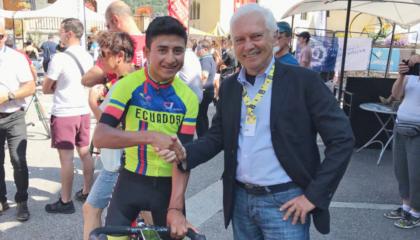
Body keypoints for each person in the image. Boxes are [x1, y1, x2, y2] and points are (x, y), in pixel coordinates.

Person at [164, 4, 354, 239]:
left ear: (274, 37)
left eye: (256, 36)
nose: (248, 46)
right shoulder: (231, 86)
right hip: (240, 201)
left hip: (286, 203)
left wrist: (313, 196)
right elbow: (218, 136)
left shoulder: (303, 82)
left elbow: (342, 139)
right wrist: (186, 153)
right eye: (240, 39)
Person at [92, 16, 198, 240]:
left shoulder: (188, 97)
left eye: (178, 51)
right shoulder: (128, 85)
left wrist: (176, 208)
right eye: (162, 50)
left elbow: (184, 159)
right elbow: (100, 137)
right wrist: (150, 136)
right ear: (148, 51)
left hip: (166, 190)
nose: (170, 58)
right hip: (130, 182)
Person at [82, 31, 138, 240]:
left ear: (120, 56)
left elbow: (109, 126)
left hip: (118, 163)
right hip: (121, 161)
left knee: (93, 209)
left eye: (104, 55)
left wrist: (93, 103)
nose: (101, 61)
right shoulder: (132, 80)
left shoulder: (123, 85)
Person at [42, 18, 94, 214]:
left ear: (69, 34)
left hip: (64, 112)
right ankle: (87, 191)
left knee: (66, 159)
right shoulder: (88, 56)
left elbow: (46, 88)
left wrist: (54, 86)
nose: (59, 35)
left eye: (60, 31)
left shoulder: (60, 58)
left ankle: (65, 201)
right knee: (84, 152)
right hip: (82, 111)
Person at [0, 17, 35, 221]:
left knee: (18, 159)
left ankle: (22, 201)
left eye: (1, 36)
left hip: (14, 115)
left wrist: (9, 96)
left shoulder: (16, 57)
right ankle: (2, 199)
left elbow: (30, 86)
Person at [383, 54, 420, 229]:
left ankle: (416, 212)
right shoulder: (410, 75)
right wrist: (402, 75)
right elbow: (396, 95)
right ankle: (406, 206)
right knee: (401, 170)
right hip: (401, 126)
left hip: (418, 131)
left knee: (416, 173)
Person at [82, 0, 145, 88]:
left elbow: (86, 80)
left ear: (115, 20)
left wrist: (106, 83)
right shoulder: (152, 43)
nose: (108, 31)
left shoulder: (117, 46)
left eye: (108, 26)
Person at [196, 39, 216, 137]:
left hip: (205, 91)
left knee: (200, 116)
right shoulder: (209, 58)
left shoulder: (205, 60)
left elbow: (204, 76)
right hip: (208, 91)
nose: (197, 50)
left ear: (205, 49)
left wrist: (198, 87)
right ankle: (204, 136)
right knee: (203, 115)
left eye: (198, 48)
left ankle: (202, 137)